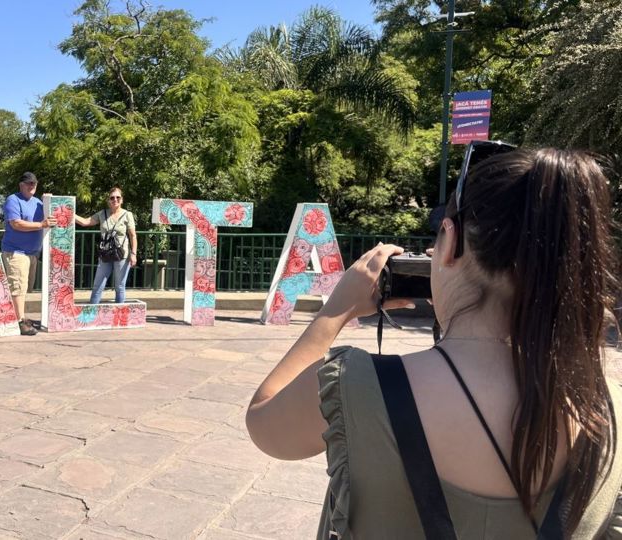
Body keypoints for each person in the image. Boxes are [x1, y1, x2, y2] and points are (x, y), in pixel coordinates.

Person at [246, 145, 622, 538]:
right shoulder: (610, 411)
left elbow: (263, 421)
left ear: (450, 241)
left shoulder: (356, 386)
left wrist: (336, 310)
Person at [1, 172, 55, 336]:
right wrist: (41, 224)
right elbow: (16, 223)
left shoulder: (39, 203)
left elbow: (52, 217)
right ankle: (20, 321)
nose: (32, 186)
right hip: (16, 251)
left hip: (32, 253)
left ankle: (14, 317)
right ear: (21, 185)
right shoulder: (13, 200)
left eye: (34, 183)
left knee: (25, 287)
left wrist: (50, 202)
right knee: (18, 286)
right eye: (29, 183)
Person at [73, 187, 138, 304]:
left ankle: (119, 317)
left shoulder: (127, 215)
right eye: (112, 198)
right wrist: (68, 213)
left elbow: (133, 235)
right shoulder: (102, 214)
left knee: (119, 286)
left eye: (118, 197)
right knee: (98, 285)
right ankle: (91, 314)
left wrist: (133, 254)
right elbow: (85, 222)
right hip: (106, 254)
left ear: (122, 200)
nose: (115, 200)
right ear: (108, 200)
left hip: (122, 255)